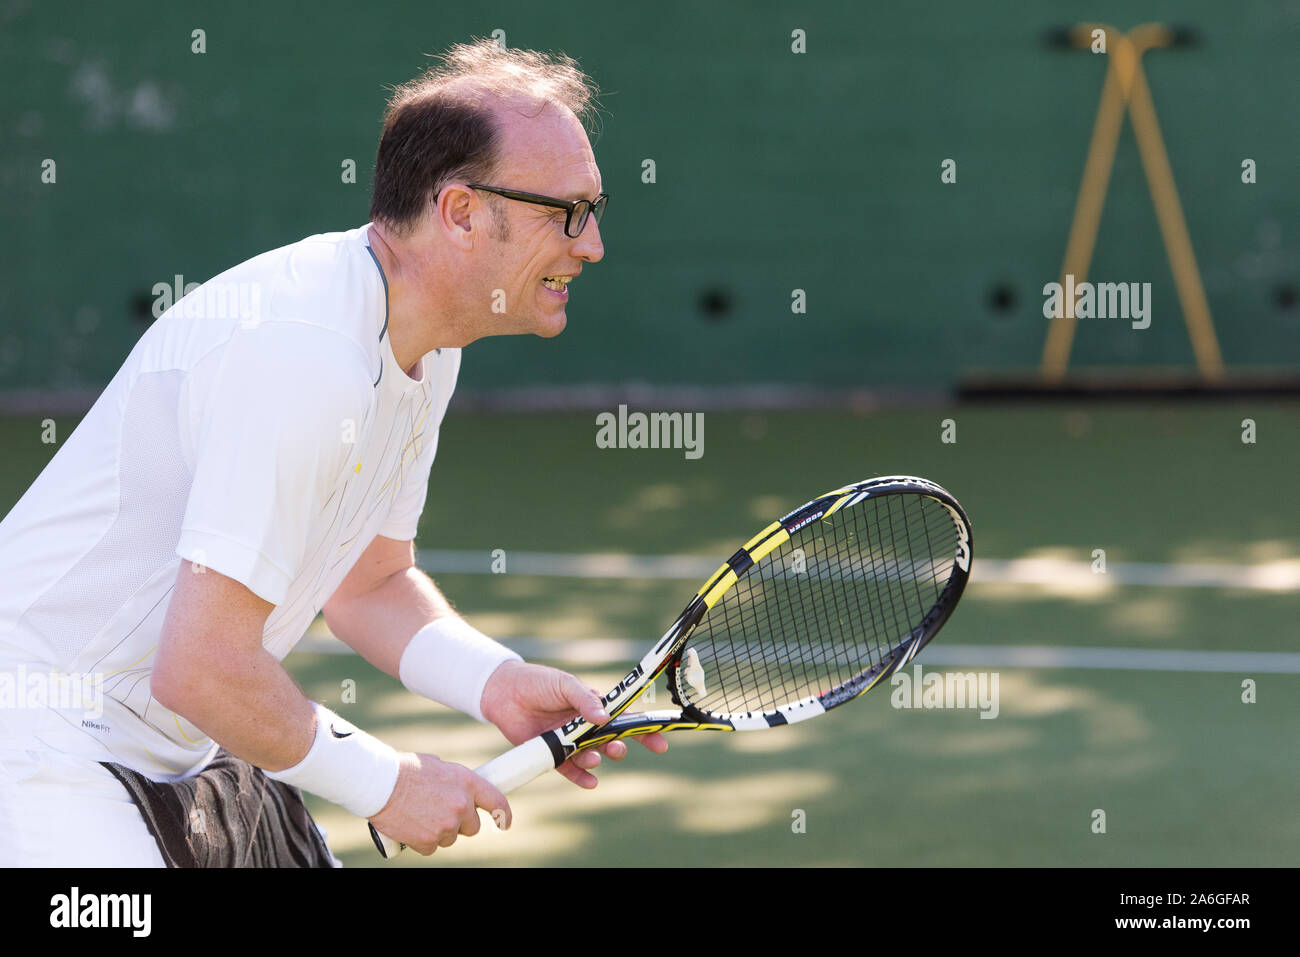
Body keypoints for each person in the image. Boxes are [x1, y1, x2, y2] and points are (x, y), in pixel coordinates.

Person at [0, 38, 666, 866]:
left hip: (186, 745)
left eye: (595, 208)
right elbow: (203, 667)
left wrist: (495, 681)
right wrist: (387, 782)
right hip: (41, 739)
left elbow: (370, 583)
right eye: (565, 211)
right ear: (460, 213)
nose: (591, 243)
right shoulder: (305, 354)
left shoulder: (427, 345)